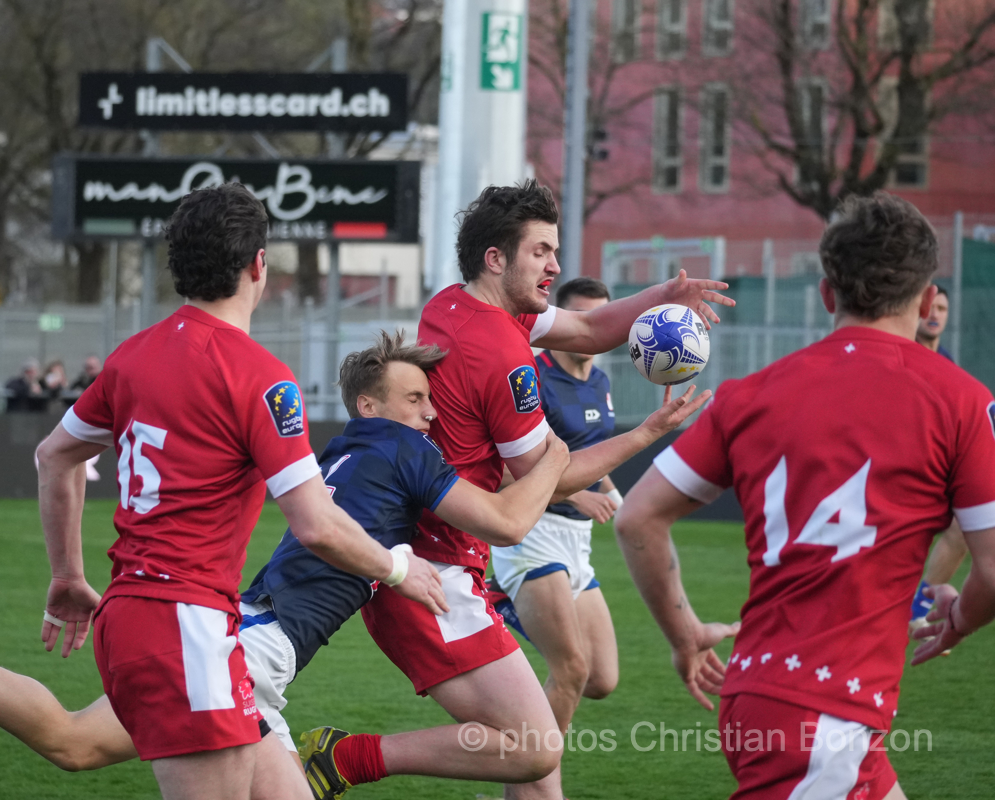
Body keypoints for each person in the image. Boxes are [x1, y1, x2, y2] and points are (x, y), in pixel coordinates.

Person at [0, 332, 570, 788]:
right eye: (413, 398)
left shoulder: (347, 451)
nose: (429, 413)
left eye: (431, 401)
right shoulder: (402, 450)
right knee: (74, 742)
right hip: (250, 655)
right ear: (373, 407)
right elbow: (504, 520)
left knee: (72, 742)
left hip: (244, 644)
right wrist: (551, 456)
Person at [304, 180, 732, 800]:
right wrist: (648, 433)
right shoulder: (503, 352)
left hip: (441, 559)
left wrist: (664, 295)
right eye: (541, 251)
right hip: (433, 576)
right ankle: (348, 757)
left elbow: (587, 330)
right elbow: (549, 481)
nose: (555, 265)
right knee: (535, 749)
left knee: (537, 766)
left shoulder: (455, 303)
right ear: (495, 258)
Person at [32, 183, 446, 800]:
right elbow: (316, 525)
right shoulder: (261, 378)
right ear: (258, 264)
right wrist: (396, 569)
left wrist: (67, 573)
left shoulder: (131, 357)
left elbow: (53, 456)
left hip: (148, 616)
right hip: (187, 624)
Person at [614, 193, 995, 800]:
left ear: (826, 294)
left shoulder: (749, 394)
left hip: (777, 700)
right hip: (822, 718)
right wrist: (959, 618)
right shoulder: (965, 402)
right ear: (927, 302)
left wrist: (684, 633)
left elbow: (637, 517)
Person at [488, 276, 623, 742]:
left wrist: (611, 491)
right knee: (572, 670)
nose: (594, 328)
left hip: (577, 540)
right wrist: (577, 493)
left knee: (602, 680)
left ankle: (500, 600)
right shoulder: (532, 375)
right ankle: (535, 782)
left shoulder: (601, 380)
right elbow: (504, 470)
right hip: (534, 530)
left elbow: (590, 452)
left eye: (601, 318)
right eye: (583, 318)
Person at [908, 285, 969, 631]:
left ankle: (920, 605)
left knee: (963, 528)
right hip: (893, 468)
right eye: (930, 307)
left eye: (943, 309)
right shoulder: (898, 354)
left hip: (936, 465)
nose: (935, 314)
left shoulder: (945, 361)